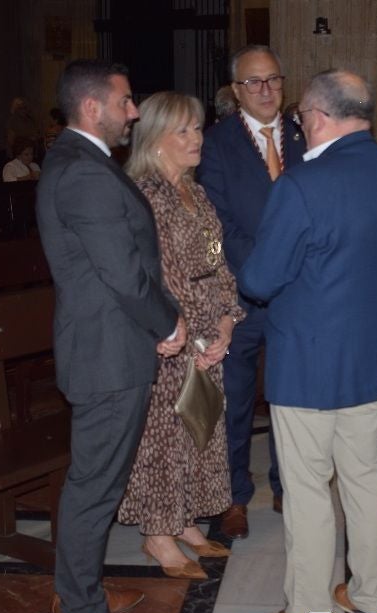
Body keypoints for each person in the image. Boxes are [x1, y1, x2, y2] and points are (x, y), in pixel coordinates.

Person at [237, 69, 377, 613]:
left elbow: (261, 279)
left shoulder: (302, 184)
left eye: (299, 118)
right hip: (372, 359)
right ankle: (368, 598)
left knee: (309, 490)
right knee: (365, 480)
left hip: (310, 363)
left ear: (316, 116)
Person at [37, 59, 185, 613]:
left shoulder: (84, 163)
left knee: (99, 479)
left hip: (112, 344)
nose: (134, 112)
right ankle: (80, 612)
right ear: (93, 107)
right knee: (95, 484)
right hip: (106, 352)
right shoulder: (84, 172)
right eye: (125, 101)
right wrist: (168, 322)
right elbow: (124, 273)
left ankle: (78, 587)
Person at [117, 91, 245, 580]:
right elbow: (160, 276)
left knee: (201, 429)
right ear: (155, 140)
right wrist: (195, 336)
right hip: (169, 335)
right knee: (168, 438)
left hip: (208, 329)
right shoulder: (148, 196)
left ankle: (187, 520)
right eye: (184, 131)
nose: (197, 138)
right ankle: (158, 534)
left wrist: (228, 321)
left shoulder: (197, 191)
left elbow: (217, 261)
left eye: (198, 128)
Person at [197, 45, 307, 539]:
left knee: (292, 398)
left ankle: (290, 487)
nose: (265, 90)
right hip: (241, 295)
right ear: (235, 90)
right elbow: (216, 221)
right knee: (236, 400)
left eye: (273, 80)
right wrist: (263, 269)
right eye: (253, 82)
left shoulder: (307, 134)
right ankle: (233, 497)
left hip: (300, 292)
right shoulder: (217, 143)